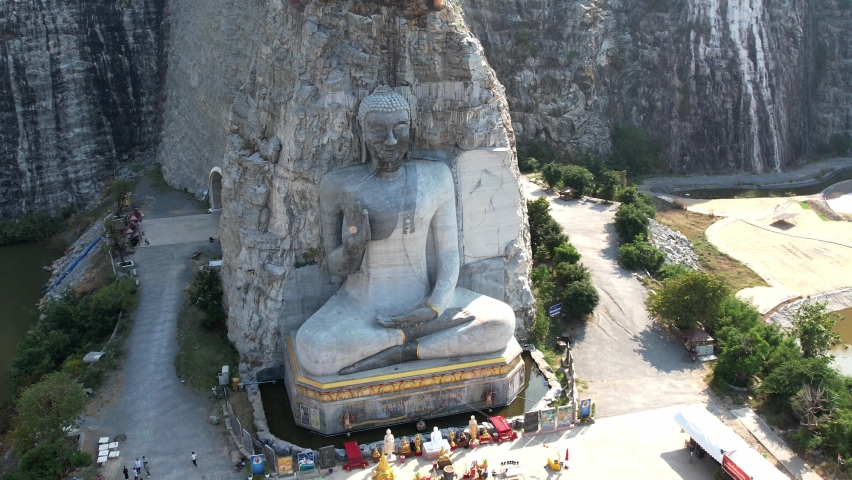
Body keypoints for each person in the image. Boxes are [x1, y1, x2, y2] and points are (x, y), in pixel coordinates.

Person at [293, 85, 515, 376]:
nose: (390, 140)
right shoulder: (338, 184)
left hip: (427, 304)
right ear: (361, 132)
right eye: (377, 130)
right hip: (363, 310)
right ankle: (415, 340)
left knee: (502, 322)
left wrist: (432, 307)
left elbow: (449, 255)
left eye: (400, 129)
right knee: (314, 350)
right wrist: (353, 248)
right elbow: (336, 268)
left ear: (411, 129)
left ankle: (405, 351)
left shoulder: (435, 176)